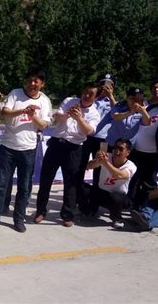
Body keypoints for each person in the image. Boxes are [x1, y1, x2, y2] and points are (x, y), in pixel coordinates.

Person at [0, 68, 52, 233]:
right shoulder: (15, 93)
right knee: (1, 184)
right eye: (30, 80)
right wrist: (22, 110)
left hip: (28, 149)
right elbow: (5, 113)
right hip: (8, 146)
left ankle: (19, 219)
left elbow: (44, 125)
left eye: (36, 81)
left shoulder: (45, 101)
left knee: (24, 187)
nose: (32, 84)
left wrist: (32, 116)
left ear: (42, 84)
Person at [34, 82, 101, 227]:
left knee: (71, 183)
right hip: (57, 143)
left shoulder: (95, 113)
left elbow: (89, 131)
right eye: (85, 92)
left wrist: (79, 118)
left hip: (75, 148)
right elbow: (57, 117)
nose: (87, 96)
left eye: (91, 94)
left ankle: (67, 214)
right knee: (46, 179)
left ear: (96, 98)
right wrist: (67, 114)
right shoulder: (70, 101)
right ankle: (40, 211)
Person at [128, 85, 158, 208]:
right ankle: (131, 204)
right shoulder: (152, 107)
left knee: (148, 182)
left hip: (153, 153)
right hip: (138, 149)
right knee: (133, 178)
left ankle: (145, 207)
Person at [77, 73, 117, 214]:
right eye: (102, 84)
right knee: (80, 167)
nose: (105, 87)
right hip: (87, 137)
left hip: (103, 140)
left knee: (99, 172)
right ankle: (80, 201)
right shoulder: (93, 99)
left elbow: (117, 114)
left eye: (109, 84)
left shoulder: (113, 103)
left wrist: (111, 97)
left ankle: (94, 205)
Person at [86, 139, 137, 228]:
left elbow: (119, 175)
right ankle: (88, 211)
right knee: (81, 188)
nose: (116, 151)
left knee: (116, 197)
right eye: (115, 148)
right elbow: (88, 166)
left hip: (119, 198)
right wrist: (97, 161)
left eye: (121, 149)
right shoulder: (107, 157)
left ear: (128, 152)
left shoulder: (131, 166)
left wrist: (105, 163)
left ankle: (117, 218)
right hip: (102, 192)